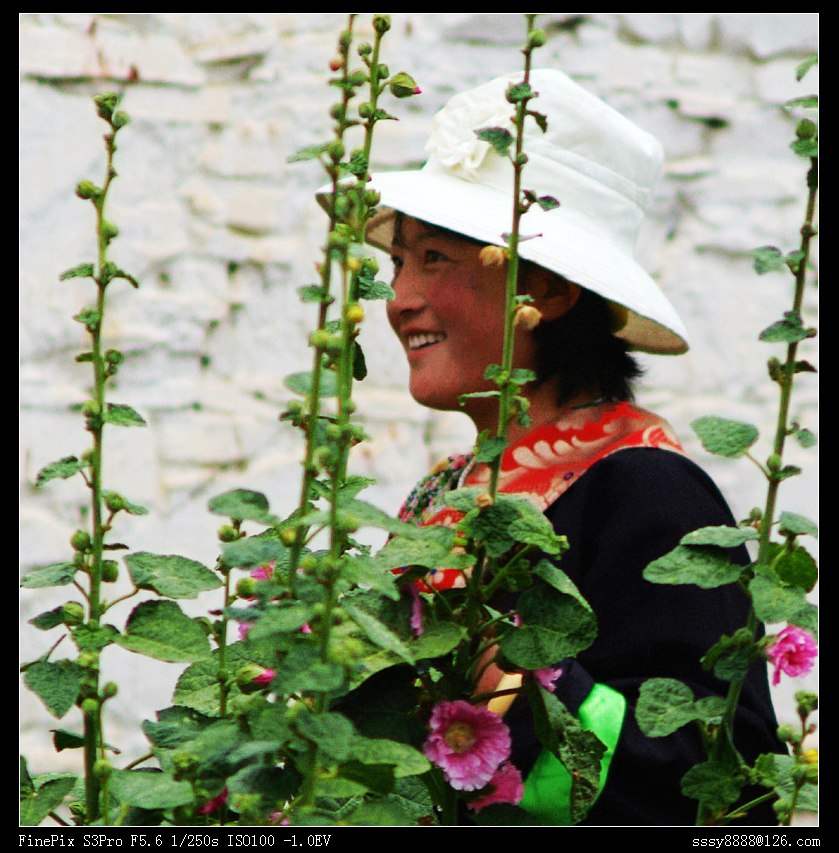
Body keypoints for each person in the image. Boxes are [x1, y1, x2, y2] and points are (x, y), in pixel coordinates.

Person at [361, 70, 782, 825]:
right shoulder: (438, 497)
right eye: (398, 260)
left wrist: (521, 676)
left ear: (547, 292)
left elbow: (719, 785)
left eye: (435, 259)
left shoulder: (650, 492)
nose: (399, 298)